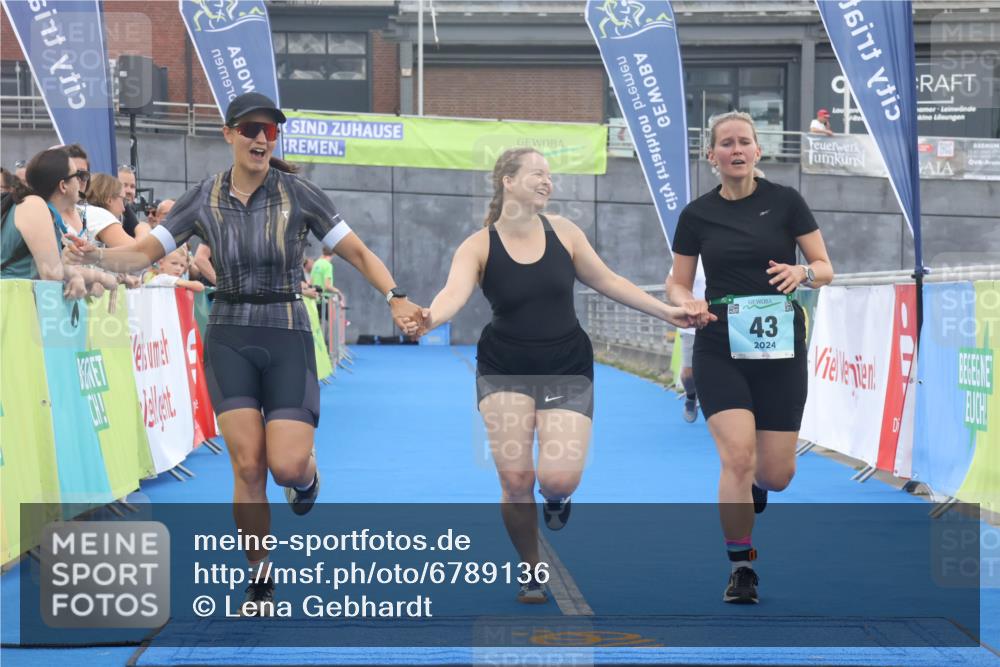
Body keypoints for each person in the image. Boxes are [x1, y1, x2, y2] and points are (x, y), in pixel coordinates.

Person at [65, 92, 425, 614]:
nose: (261, 138)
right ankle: (260, 576)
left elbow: (358, 252)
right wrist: (94, 253)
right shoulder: (201, 197)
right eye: (252, 129)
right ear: (229, 134)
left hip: (286, 332)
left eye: (271, 132)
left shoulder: (301, 194)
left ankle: (307, 476)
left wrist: (396, 297)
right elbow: (145, 253)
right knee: (249, 466)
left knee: (284, 465)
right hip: (230, 336)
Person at [418, 147, 711, 604]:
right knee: (516, 480)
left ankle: (557, 499)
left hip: (566, 365)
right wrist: (428, 318)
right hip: (504, 369)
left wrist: (666, 312)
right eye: (536, 173)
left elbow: (610, 281)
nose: (546, 181)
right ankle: (532, 567)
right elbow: (453, 294)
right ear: (507, 182)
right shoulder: (478, 245)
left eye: (549, 175)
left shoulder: (566, 233)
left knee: (557, 479)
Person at [667, 111, 833, 605]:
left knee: (776, 475)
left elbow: (826, 267)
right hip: (720, 343)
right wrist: (685, 300)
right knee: (736, 456)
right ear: (712, 155)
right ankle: (742, 566)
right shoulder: (696, 214)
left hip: (780, 344)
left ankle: (758, 485)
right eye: (726, 144)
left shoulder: (786, 202)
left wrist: (802, 275)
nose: (736, 150)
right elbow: (676, 279)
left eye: (745, 142)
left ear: (758, 151)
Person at [1, 147, 91, 298]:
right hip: (10, 307)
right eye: (78, 175)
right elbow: (51, 272)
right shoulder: (34, 205)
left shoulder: (32, 207)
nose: (81, 181)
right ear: (63, 186)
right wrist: (100, 277)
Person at [670, 260, 706, 423]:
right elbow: (672, 286)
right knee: (688, 374)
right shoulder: (690, 258)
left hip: (725, 323)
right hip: (692, 325)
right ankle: (691, 396)